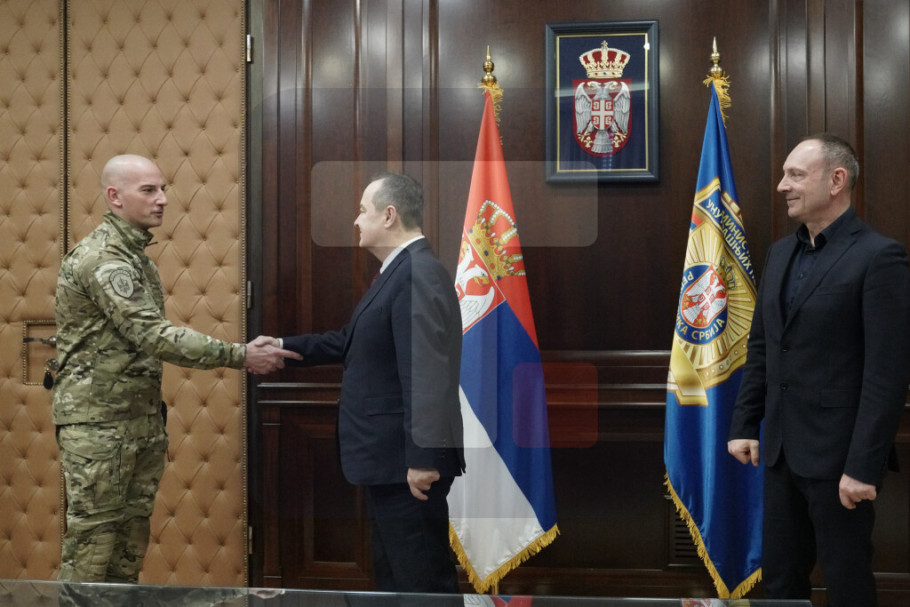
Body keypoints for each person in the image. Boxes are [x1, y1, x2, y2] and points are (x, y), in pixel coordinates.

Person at [53, 154, 301, 583]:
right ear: (114, 197)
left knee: (126, 555)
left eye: (163, 189)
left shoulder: (137, 258)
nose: (163, 199)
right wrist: (239, 354)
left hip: (136, 424)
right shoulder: (104, 259)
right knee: (91, 555)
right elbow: (154, 336)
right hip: (99, 429)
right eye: (148, 190)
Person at [728, 133, 910, 606]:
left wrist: (863, 467)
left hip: (840, 461)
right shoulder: (779, 253)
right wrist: (746, 423)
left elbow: (887, 375)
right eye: (784, 175)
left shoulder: (879, 256)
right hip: (780, 453)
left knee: (847, 584)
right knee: (780, 584)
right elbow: (763, 345)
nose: (782, 186)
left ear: (836, 180)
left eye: (795, 175)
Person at [275, 172, 465, 593]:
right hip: (391, 461)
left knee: (422, 582)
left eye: (363, 211)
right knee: (396, 578)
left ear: (389, 215)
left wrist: (422, 458)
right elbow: (351, 340)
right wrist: (284, 347)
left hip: (407, 464)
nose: (356, 221)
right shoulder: (400, 273)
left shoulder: (416, 274)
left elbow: (426, 373)